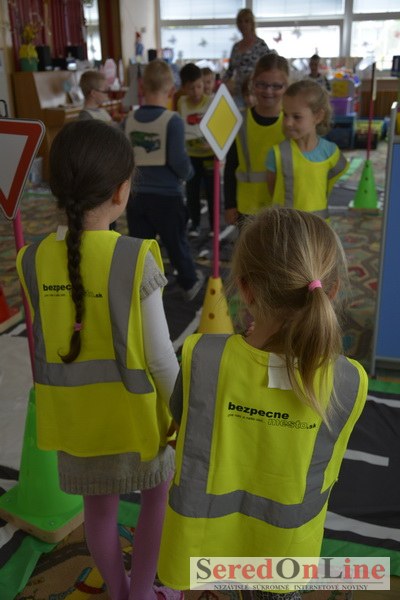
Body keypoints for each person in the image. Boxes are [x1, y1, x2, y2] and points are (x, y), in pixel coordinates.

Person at [156, 207, 368, 598]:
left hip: (205, 541)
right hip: (284, 553)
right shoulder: (349, 380)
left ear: (245, 289)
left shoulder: (203, 357)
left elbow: (182, 418)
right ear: (333, 290)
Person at [16, 120, 183, 600]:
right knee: (156, 502)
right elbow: (160, 358)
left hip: (75, 423)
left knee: (99, 513)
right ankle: (143, 593)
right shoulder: (134, 257)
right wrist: (185, 410)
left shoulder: (31, 260)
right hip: (137, 420)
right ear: (121, 190)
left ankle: (118, 590)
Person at [124, 59, 204, 302]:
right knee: (176, 242)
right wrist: (189, 174)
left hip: (136, 196)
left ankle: (144, 288)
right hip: (167, 197)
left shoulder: (129, 119)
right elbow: (178, 160)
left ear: (142, 87)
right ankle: (189, 282)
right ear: (171, 90)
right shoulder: (173, 121)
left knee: (141, 246)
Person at [266, 79, 348, 219]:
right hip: (286, 228)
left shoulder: (331, 153)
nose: (288, 123)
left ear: (318, 116)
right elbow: (272, 191)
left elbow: (328, 185)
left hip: (319, 228)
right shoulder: (277, 154)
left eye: (296, 117)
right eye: (285, 114)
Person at [224, 53, 289, 225]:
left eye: (276, 86)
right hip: (247, 207)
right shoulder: (239, 121)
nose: (268, 91)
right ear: (253, 84)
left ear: (286, 87)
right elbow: (231, 165)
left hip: (283, 207)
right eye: (262, 84)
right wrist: (230, 204)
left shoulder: (292, 123)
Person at [177, 62, 214, 237]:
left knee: (212, 191)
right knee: (192, 191)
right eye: (191, 88)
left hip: (210, 155)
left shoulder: (212, 102)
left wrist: (213, 144)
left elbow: (221, 128)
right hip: (191, 156)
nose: (197, 91)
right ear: (184, 88)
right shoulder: (181, 102)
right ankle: (195, 224)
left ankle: (214, 226)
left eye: (199, 86)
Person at [223, 8, 269, 108]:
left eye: (246, 21)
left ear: (252, 23)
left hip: (256, 93)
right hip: (239, 92)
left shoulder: (261, 45)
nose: (243, 24)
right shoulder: (236, 47)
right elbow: (230, 70)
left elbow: (268, 68)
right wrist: (221, 84)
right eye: (240, 21)